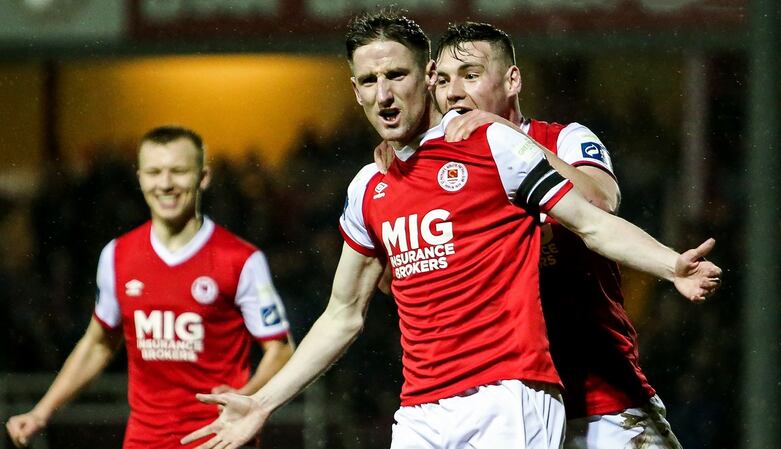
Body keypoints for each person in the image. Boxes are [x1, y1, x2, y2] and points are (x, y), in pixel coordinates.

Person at [180, 10, 720, 449]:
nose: (385, 94)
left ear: (424, 81)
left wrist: (670, 264)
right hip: (423, 408)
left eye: (397, 76)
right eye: (370, 81)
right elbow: (344, 313)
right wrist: (264, 402)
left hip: (545, 394)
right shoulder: (369, 187)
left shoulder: (502, 146)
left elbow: (596, 215)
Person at [376, 21, 689, 449]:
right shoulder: (434, 174)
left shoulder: (564, 138)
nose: (453, 93)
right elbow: (400, 283)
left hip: (602, 400)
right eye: (444, 80)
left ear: (512, 80)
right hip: (505, 403)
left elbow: (599, 201)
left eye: (470, 75)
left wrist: (499, 135)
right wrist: (402, 185)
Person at [5, 126, 294, 449]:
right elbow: (99, 343)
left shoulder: (240, 260)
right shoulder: (117, 255)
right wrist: (42, 413)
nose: (166, 183)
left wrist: (247, 397)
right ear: (140, 178)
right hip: (144, 440)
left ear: (203, 177)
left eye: (179, 171)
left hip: (220, 439)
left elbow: (281, 349)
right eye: (155, 172)